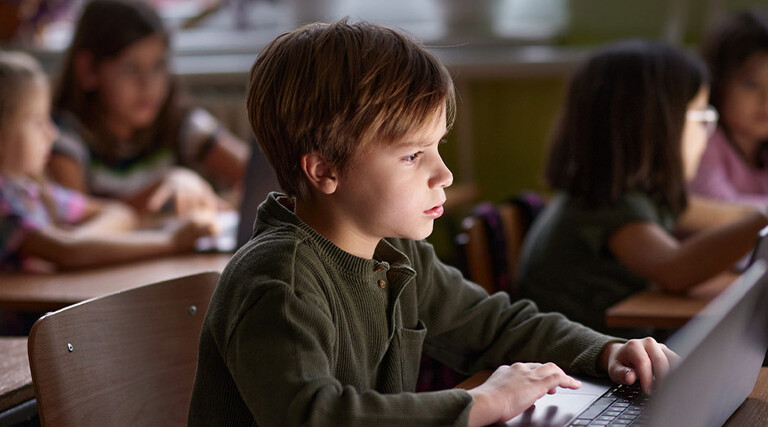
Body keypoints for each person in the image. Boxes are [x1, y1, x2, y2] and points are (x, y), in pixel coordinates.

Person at [189, 21, 678, 426]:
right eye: (412, 155)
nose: (443, 174)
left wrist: (606, 352)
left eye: (438, 146)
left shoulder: (394, 252)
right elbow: (316, 415)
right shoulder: (279, 279)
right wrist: (480, 402)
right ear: (324, 170)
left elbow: (495, 327)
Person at [517, 39, 768, 337]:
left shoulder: (632, 193)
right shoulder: (608, 203)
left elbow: (727, 216)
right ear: (655, 127)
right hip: (575, 370)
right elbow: (676, 270)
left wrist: (757, 216)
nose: (707, 133)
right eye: (701, 117)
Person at [0, 50, 216, 274]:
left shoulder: (33, 192)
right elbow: (66, 252)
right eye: (37, 122)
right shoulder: (4, 204)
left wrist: (77, 243)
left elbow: (121, 213)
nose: (51, 134)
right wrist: (171, 241)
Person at [48, 0, 249, 217]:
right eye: (131, 68)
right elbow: (74, 220)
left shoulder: (182, 124)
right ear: (87, 70)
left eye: (158, 65)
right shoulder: (63, 139)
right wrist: (166, 184)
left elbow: (259, 176)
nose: (148, 85)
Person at [689, 10, 768, 206]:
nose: (766, 99)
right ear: (718, 84)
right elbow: (721, 207)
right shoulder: (703, 141)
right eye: (751, 84)